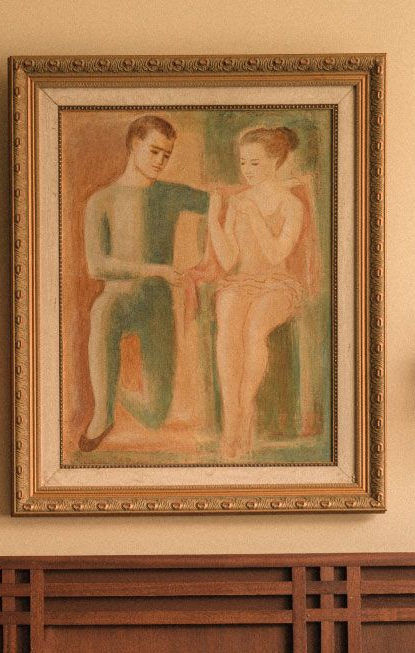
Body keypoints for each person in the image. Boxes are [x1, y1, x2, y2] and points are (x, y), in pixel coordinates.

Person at [79, 115, 209, 451]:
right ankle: (103, 413)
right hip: (118, 298)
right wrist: (157, 270)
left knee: (154, 416)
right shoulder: (101, 200)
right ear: (135, 145)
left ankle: (116, 390)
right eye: (154, 151)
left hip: (157, 305)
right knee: (102, 311)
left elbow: (221, 203)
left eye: (167, 155)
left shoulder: (171, 194)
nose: (161, 161)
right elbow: (97, 266)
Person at [206, 124, 316, 460]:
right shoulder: (238, 201)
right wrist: (212, 219)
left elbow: (275, 254)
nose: (247, 170)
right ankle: (232, 416)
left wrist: (255, 217)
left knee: (254, 327)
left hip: (277, 285)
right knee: (228, 323)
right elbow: (229, 259)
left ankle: (245, 404)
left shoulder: (291, 205)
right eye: (243, 162)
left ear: (275, 161)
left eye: (255, 163)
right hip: (241, 281)